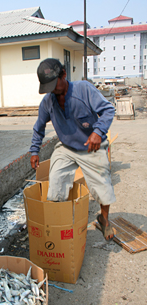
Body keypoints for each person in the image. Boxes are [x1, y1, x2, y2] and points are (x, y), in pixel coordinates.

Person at [29, 58, 116, 241]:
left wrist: (98, 132)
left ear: (64, 75)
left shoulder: (84, 89)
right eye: (48, 86)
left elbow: (108, 110)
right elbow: (39, 127)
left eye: (54, 84)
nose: (52, 89)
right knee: (56, 179)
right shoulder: (48, 102)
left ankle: (104, 220)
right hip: (66, 147)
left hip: (91, 146)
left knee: (103, 185)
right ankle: (60, 221)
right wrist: (34, 151)